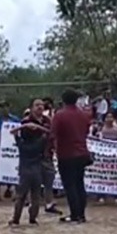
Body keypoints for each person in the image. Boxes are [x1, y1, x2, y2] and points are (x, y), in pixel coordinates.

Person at [51, 88, 92, 223]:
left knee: (70, 185)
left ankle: (74, 214)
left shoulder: (60, 115)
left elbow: (53, 134)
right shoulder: (84, 115)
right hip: (82, 153)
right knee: (79, 183)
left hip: (66, 153)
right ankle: (81, 214)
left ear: (63, 100)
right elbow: (86, 131)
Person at [10, 120, 48, 225]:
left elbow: (12, 131)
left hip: (24, 172)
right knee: (35, 196)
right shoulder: (39, 143)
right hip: (37, 171)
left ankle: (16, 218)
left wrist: (24, 126)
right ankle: (33, 218)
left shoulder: (21, 144)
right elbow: (48, 132)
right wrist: (37, 126)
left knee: (20, 196)